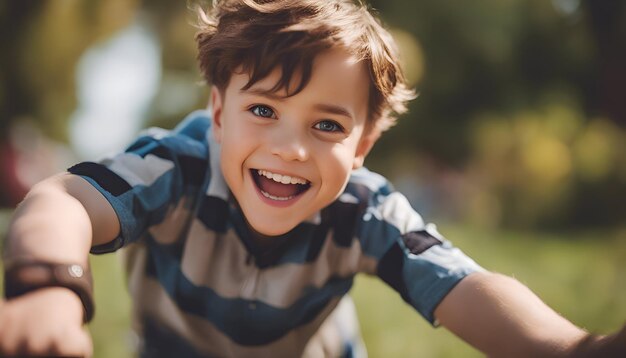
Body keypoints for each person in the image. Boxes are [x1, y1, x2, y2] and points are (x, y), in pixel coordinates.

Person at [1, 0, 625, 357]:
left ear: (365, 145)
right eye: (264, 110)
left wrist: (574, 351)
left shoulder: (364, 211)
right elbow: (66, 199)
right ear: (219, 112)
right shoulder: (176, 167)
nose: (291, 148)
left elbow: (465, 285)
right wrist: (48, 284)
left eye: (327, 126)